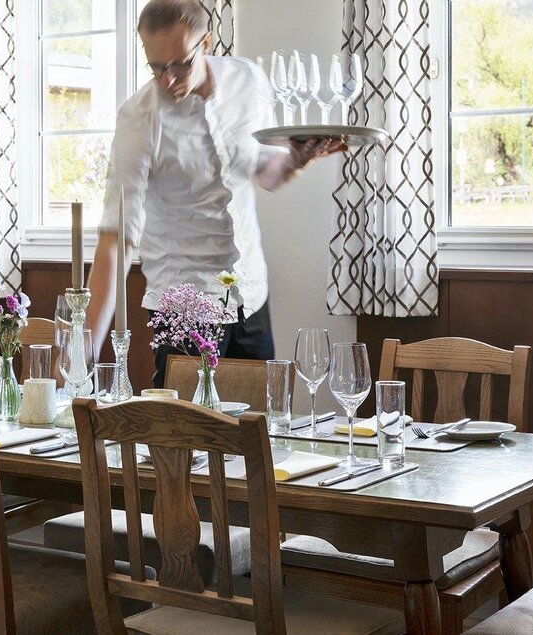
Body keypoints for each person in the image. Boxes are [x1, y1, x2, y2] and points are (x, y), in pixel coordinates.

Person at [86, 0, 344, 387]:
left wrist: (298, 158)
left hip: (251, 297)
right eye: (155, 67)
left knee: (260, 435)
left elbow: (265, 173)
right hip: (185, 308)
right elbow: (117, 235)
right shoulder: (138, 118)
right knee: (184, 443)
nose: (167, 80)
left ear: (205, 43)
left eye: (179, 65)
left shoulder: (248, 80)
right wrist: (84, 346)